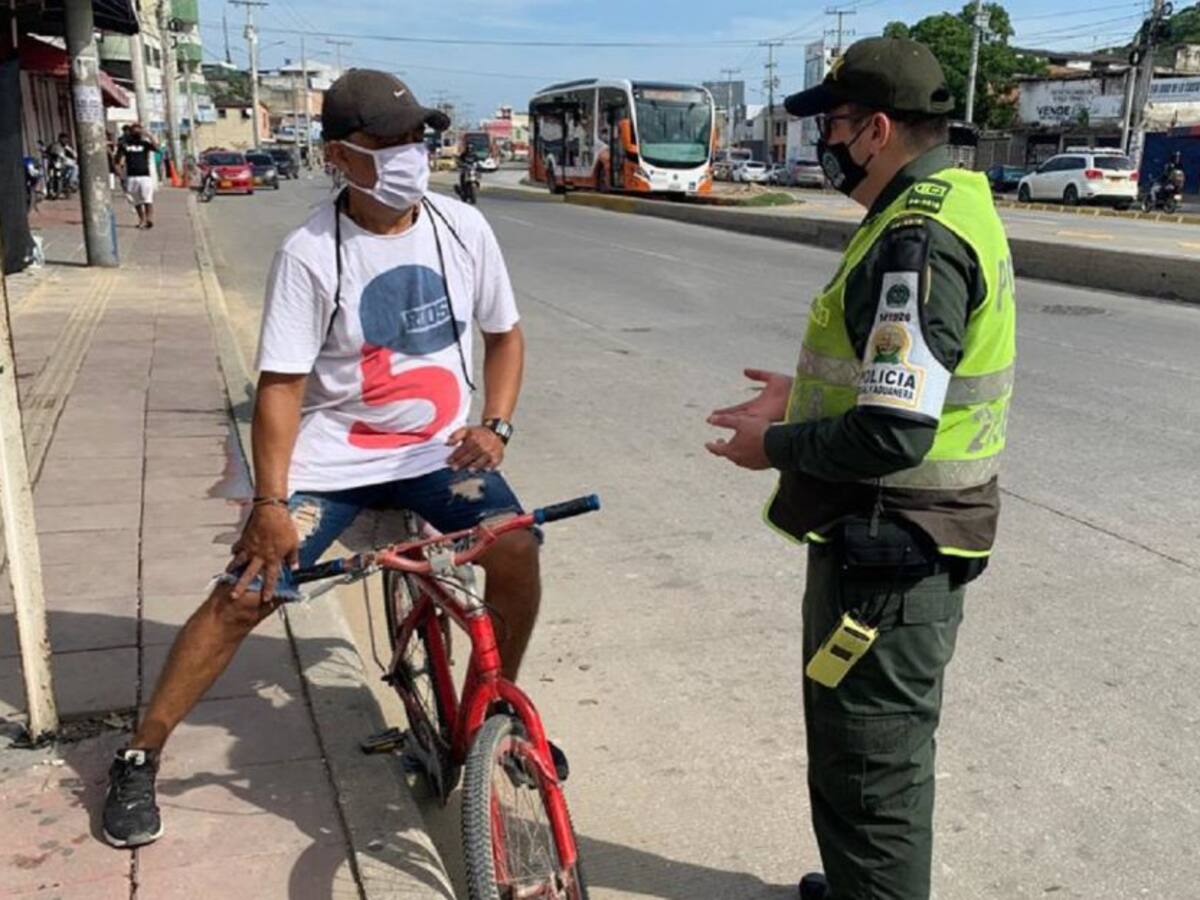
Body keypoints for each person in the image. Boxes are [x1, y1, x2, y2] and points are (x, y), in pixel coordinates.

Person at [102, 70, 549, 849]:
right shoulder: (309, 253)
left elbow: (503, 335)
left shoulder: (463, 228)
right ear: (339, 156)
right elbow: (280, 389)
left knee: (515, 549)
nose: (410, 154)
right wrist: (270, 506)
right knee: (247, 594)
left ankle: (494, 710)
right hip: (334, 459)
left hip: (438, 451)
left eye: (416, 138)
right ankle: (140, 754)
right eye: (386, 142)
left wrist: (497, 426)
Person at [706, 37, 1016, 900]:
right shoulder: (947, 202)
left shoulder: (918, 238)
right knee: (856, 758)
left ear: (877, 129)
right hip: (895, 540)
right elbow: (895, 383)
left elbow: (892, 432)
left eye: (834, 125)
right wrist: (800, 399)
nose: (825, 144)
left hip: (893, 551)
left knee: (874, 776)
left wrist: (773, 447)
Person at [114, 123, 159, 228]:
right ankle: (142, 219)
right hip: (131, 176)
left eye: (139, 130)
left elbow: (157, 149)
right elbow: (117, 159)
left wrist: (149, 136)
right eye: (135, 130)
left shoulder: (145, 144)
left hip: (145, 175)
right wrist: (119, 172)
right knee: (136, 200)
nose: (137, 132)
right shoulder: (125, 144)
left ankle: (149, 219)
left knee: (147, 199)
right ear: (130, 131)